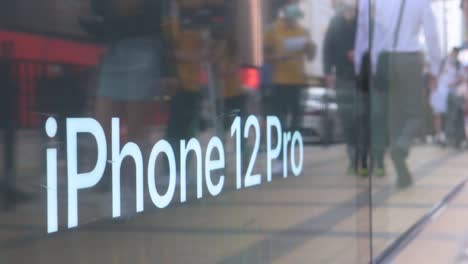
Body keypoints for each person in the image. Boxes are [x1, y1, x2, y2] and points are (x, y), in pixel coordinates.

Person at [355, 0, 442, 188]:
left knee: (394, 116)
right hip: (409, 58)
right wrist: (435, 68)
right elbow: (432, 35)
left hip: (387, 59)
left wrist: (375, 62)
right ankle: (401, 146)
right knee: (416, 113)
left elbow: (374, 30)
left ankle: (401, 169)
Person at [264, 0, 316, 174]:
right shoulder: (272, 30)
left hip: (298, 82)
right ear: (284, 14)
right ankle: (279, 157)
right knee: (279, 122)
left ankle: (288, 155)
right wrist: (278, 58)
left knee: (295, 122)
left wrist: (310, 48)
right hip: (279, 82)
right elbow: (265, 55)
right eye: (291, 18)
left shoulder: (303, 31)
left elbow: (310, 57)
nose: (294, 21)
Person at [323, 2, 359, 175]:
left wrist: (359, 53)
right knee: (346, 119)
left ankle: (363, 155)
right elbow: (327, 48)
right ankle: (353, 157)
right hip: (343, 78)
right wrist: (328, 71)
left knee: (361, 117)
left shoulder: (364, 23)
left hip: (362, 78)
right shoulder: (335, 23)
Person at [430, 48, 462, 145]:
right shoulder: (443, 62)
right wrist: (433, 87)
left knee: (448, 115)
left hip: (450, 93)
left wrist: (453, 84)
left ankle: (447, 136)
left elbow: (461, 78)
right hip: (438, 92)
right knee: (437, 114)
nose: (454, 55)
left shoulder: (458, 64)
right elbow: (435, 75)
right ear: (450, 53)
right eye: (453, 53)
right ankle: (439, 136)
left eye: (456, 54)